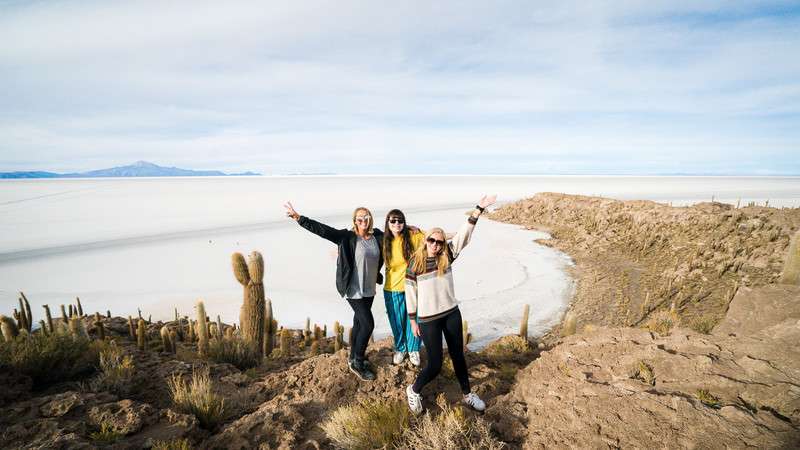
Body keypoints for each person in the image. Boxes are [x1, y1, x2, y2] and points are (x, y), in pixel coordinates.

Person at [404, 195, 497, 414]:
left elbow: (464, 235)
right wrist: (412, 320)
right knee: (435, 364)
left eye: (439, 241)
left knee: (458, 355)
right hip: (428, 320)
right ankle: (414, 389)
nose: (435, 245)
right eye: (432, 241)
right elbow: (410, 293)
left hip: (451, 314)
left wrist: (478, 209)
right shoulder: (415, 263)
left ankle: (467, 395)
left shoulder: (447, 255)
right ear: (425, 240)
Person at [283, 202, 383, 381]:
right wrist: (299, 218)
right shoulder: (346, 237)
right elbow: (323, 230)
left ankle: (353, 356)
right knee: (368, 324)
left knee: (359, 323)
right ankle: (357, 362)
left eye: (366, 218)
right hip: (353, 288)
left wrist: (412, 230)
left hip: (369, 288)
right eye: (360, 218)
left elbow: (395, 235)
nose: (363, 221)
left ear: (370, 219)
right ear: (355, 220)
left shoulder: (377, 236)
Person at [382, 209, 425, 366]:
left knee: (415, 320)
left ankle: (413, 349)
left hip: (413, 287)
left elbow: (434, 237)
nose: (397, 224)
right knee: (397, 322)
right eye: (393, 221)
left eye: (400, 221)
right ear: (388, 223)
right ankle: (401, 348)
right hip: (392, 288)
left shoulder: (413, 236)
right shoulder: (383, 240)